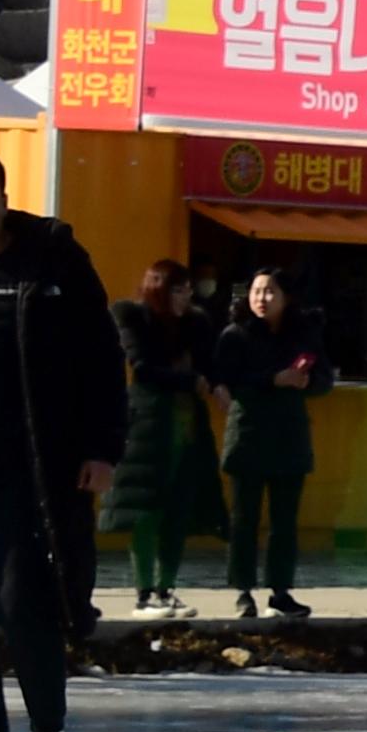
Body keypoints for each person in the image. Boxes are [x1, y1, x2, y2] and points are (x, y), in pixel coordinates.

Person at [0, 150, 123, 732]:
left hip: (27, 468)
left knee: (20, 596)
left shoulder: (51, 263)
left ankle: (47, 727)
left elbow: (103, 360)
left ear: (4, 203)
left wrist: (104, 448)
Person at [211, 266, 332, 622]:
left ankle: (280, 591)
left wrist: (305, 381)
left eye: (270, 292)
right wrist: (273, 379)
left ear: (286, 298)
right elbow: (227, 381)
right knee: (244, 519)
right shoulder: (235, 335)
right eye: (256, 291)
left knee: (285, 522)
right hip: (248, 435)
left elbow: (325, 380)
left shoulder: (304, 335)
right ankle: (242, 591)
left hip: (290, 436)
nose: (261, 299)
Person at [106, 259, 221, 618]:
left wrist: (215, 386)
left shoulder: (197, 324)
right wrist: (188, 380)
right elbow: (141, 367)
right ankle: (144, 594)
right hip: (148, 425)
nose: (184, 297)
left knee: (179, 509)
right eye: (176, 289)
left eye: (188, 290)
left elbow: (209, 366)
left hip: (187, 427)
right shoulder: (133, 317)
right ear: (158, 288)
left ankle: (167, 588)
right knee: (146, 511)